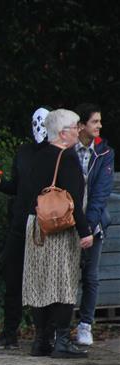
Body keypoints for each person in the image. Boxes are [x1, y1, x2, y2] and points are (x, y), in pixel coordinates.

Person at [20, 109, 93, 358]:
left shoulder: (38, 156)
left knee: (39, 281)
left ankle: (41, 340)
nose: (79, 131)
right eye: (75, 127)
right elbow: (73, 201)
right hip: (60, 228)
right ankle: (61, 341)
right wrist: (85, 231)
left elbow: (28, 191)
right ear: (63, 133)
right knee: (63, 282)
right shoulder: (68, 157)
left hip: (36, 224)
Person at [0, 107, 51, 350]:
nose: (39, 128)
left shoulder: (56, 154)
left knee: (42, 281)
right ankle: (9, 333)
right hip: (20, 224)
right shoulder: (23, 152)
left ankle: (44, 335)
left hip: (44, 225)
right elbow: (17, 187)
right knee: (13, 280)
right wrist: (0, 183)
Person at [72, 103, 115, 346]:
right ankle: (59, 327)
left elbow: (101, 192)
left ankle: (85, 325)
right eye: (94, 121)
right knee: (66, 275)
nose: (99, 125)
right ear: (81, 125)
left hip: (94, 224)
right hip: (68, 223)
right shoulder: (68, 150)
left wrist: (88, 227)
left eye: (99, 121)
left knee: (91, 275)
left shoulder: (105, 152)